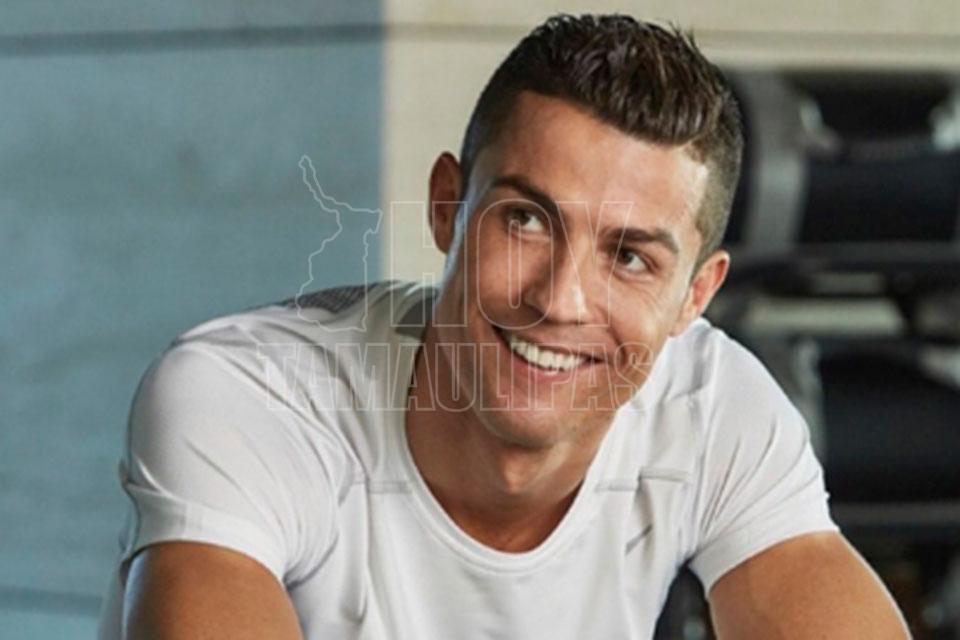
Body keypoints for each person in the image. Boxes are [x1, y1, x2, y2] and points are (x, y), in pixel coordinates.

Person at [98, 14, 910, 639]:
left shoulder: (711, 406)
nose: (561, 300)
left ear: (694, 297)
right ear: (446, 206)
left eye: (630, 257)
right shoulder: (251, 397)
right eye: (525, 220)